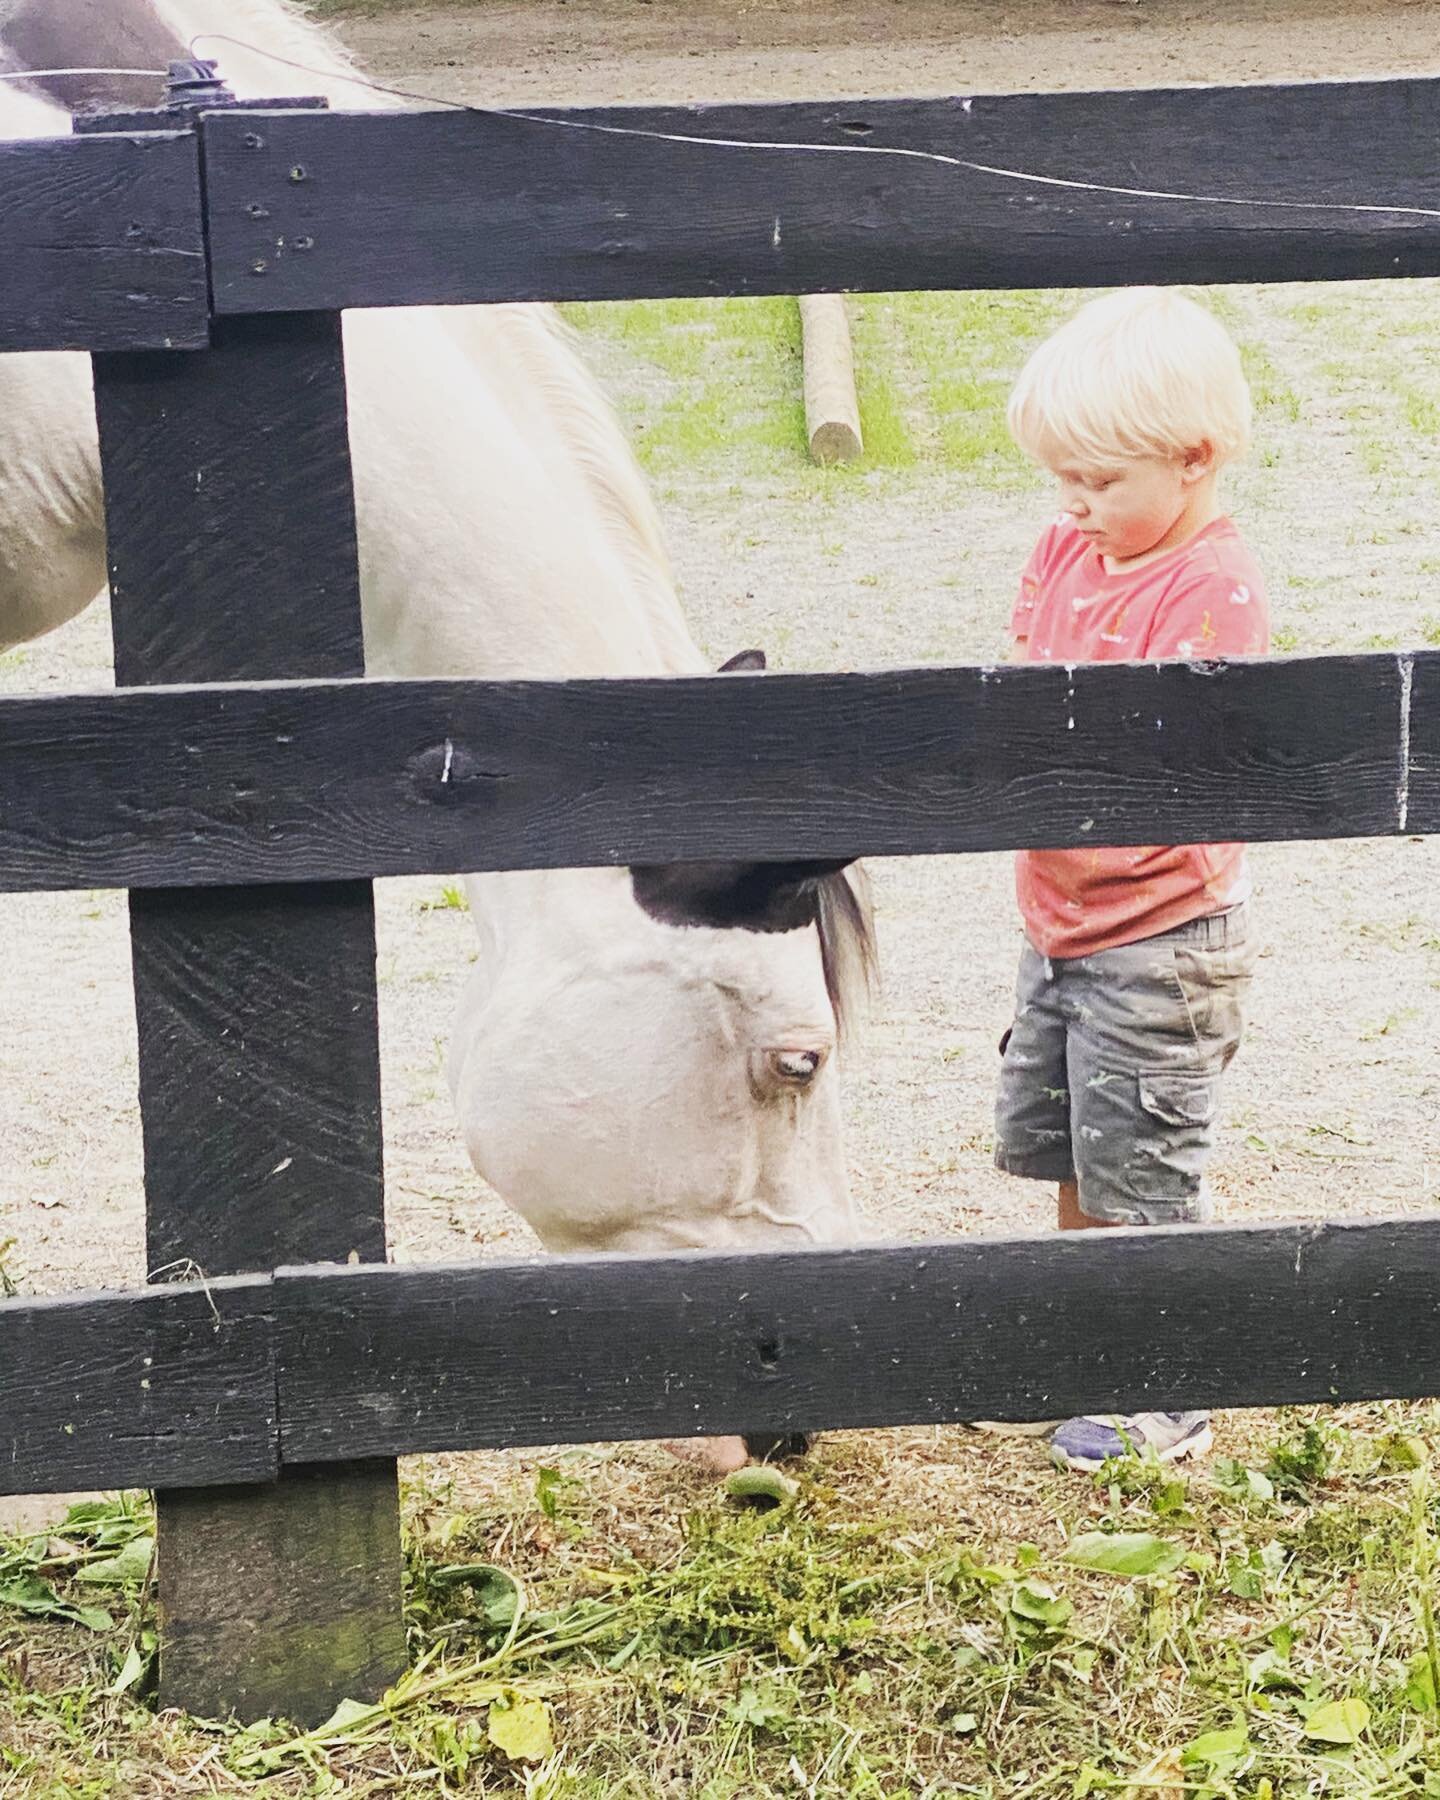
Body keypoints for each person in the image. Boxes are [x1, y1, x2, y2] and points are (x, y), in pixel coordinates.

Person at [992, 287, 1270, 1472]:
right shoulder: (1067, 545)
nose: (1071, 503)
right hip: (1059, 921)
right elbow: (1017, 675)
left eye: (1098, 481)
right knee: (1068, 1144)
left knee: (1143, 1164)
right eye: (1060, 476)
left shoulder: (1213, 587)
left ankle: (1167, 1394)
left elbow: (1188, 778)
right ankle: (1086, 1340)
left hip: (1161, 935)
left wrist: (1048, 807)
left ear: (1193, 460)